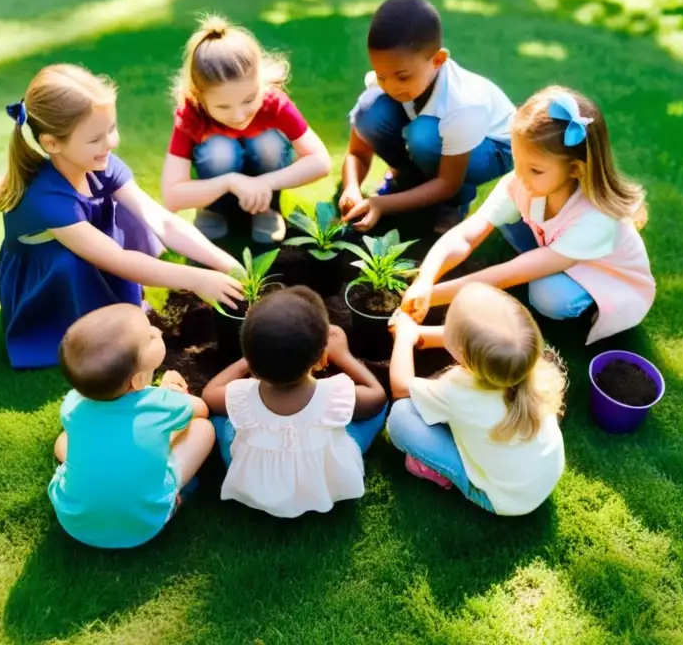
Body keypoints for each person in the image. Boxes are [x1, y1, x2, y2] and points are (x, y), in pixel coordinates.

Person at [0, 63, 243, 369]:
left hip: (92, 245)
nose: (110, 143)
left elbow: (160, 219)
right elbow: (118, 260)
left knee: (129, 211)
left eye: (111, 129)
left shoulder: (99, 163)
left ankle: (116, 296)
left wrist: (223, 262)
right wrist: (197, 278)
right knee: (77, 263)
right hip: (48, 273)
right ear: (52, 143)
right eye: (95, 138)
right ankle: (79, 322)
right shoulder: (46, 199)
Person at [402, 86, 654, 345]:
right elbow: (468, 234)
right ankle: (544, 253)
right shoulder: (525, 183)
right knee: (508, 221)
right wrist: (424, 279)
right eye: (518, 161)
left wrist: (429, 297)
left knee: (547, 296)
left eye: (535, 169)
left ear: (575, 169)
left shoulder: (596, 220)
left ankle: (589, 306)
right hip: (563, 244)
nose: (520, 177)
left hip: (604, 273)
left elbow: (505, 275)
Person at [201, 286, 388, 518]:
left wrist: (246, 360)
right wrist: (344, 355)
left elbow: (209, 395)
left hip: (258, 483)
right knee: (375, 411)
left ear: (252, 363)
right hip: (324, 480)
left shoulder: (243, 396)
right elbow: (378, 396)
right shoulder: (334, 395)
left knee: (221, 418)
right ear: (321, 358)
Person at [338, 0, 515, 234]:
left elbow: (447, 183)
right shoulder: (394, 81)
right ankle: (407, 180)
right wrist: (351, 187)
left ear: (438, 60)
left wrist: (381, 204)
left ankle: (454, 204)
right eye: (382, 75)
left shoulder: (463, 104)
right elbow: (357, 152)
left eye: (402, 76)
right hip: (441, 134)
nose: (391, 86)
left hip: (493, 148)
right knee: (369, 110)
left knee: (423, 135)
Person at [388, 284, 566, 515]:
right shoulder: (529, 368)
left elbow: (401, 387)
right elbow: (475, 342)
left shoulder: (458, 389)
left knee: (401, 418)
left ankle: (442, 473)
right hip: (540, 479)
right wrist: (417, 334)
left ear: (462, 349)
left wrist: (403, 337)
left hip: (503, 499)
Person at [48, 304, 215, 549]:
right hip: (144, 525)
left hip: (74, 520)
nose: (157, 330)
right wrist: (174, 393)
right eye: (149, 336)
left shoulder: (73, 405)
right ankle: (173, 499)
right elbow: (201, 409)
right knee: (203, 429)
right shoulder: (161, 404)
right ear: (137, 380)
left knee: (65, 440)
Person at [161, 16, 332, 243]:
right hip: (215, 188)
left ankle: (265, 210)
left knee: (268, 142)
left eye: (249, 99)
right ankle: (216, 211)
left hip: (265, 186)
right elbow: (172, 195)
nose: (240, 116)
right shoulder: (192, 112)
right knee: (219, 150)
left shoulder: (273, 102)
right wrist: (229, 181)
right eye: (223, 107)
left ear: (261, 81)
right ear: (200, 98)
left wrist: (264, 184)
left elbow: (321, 161)